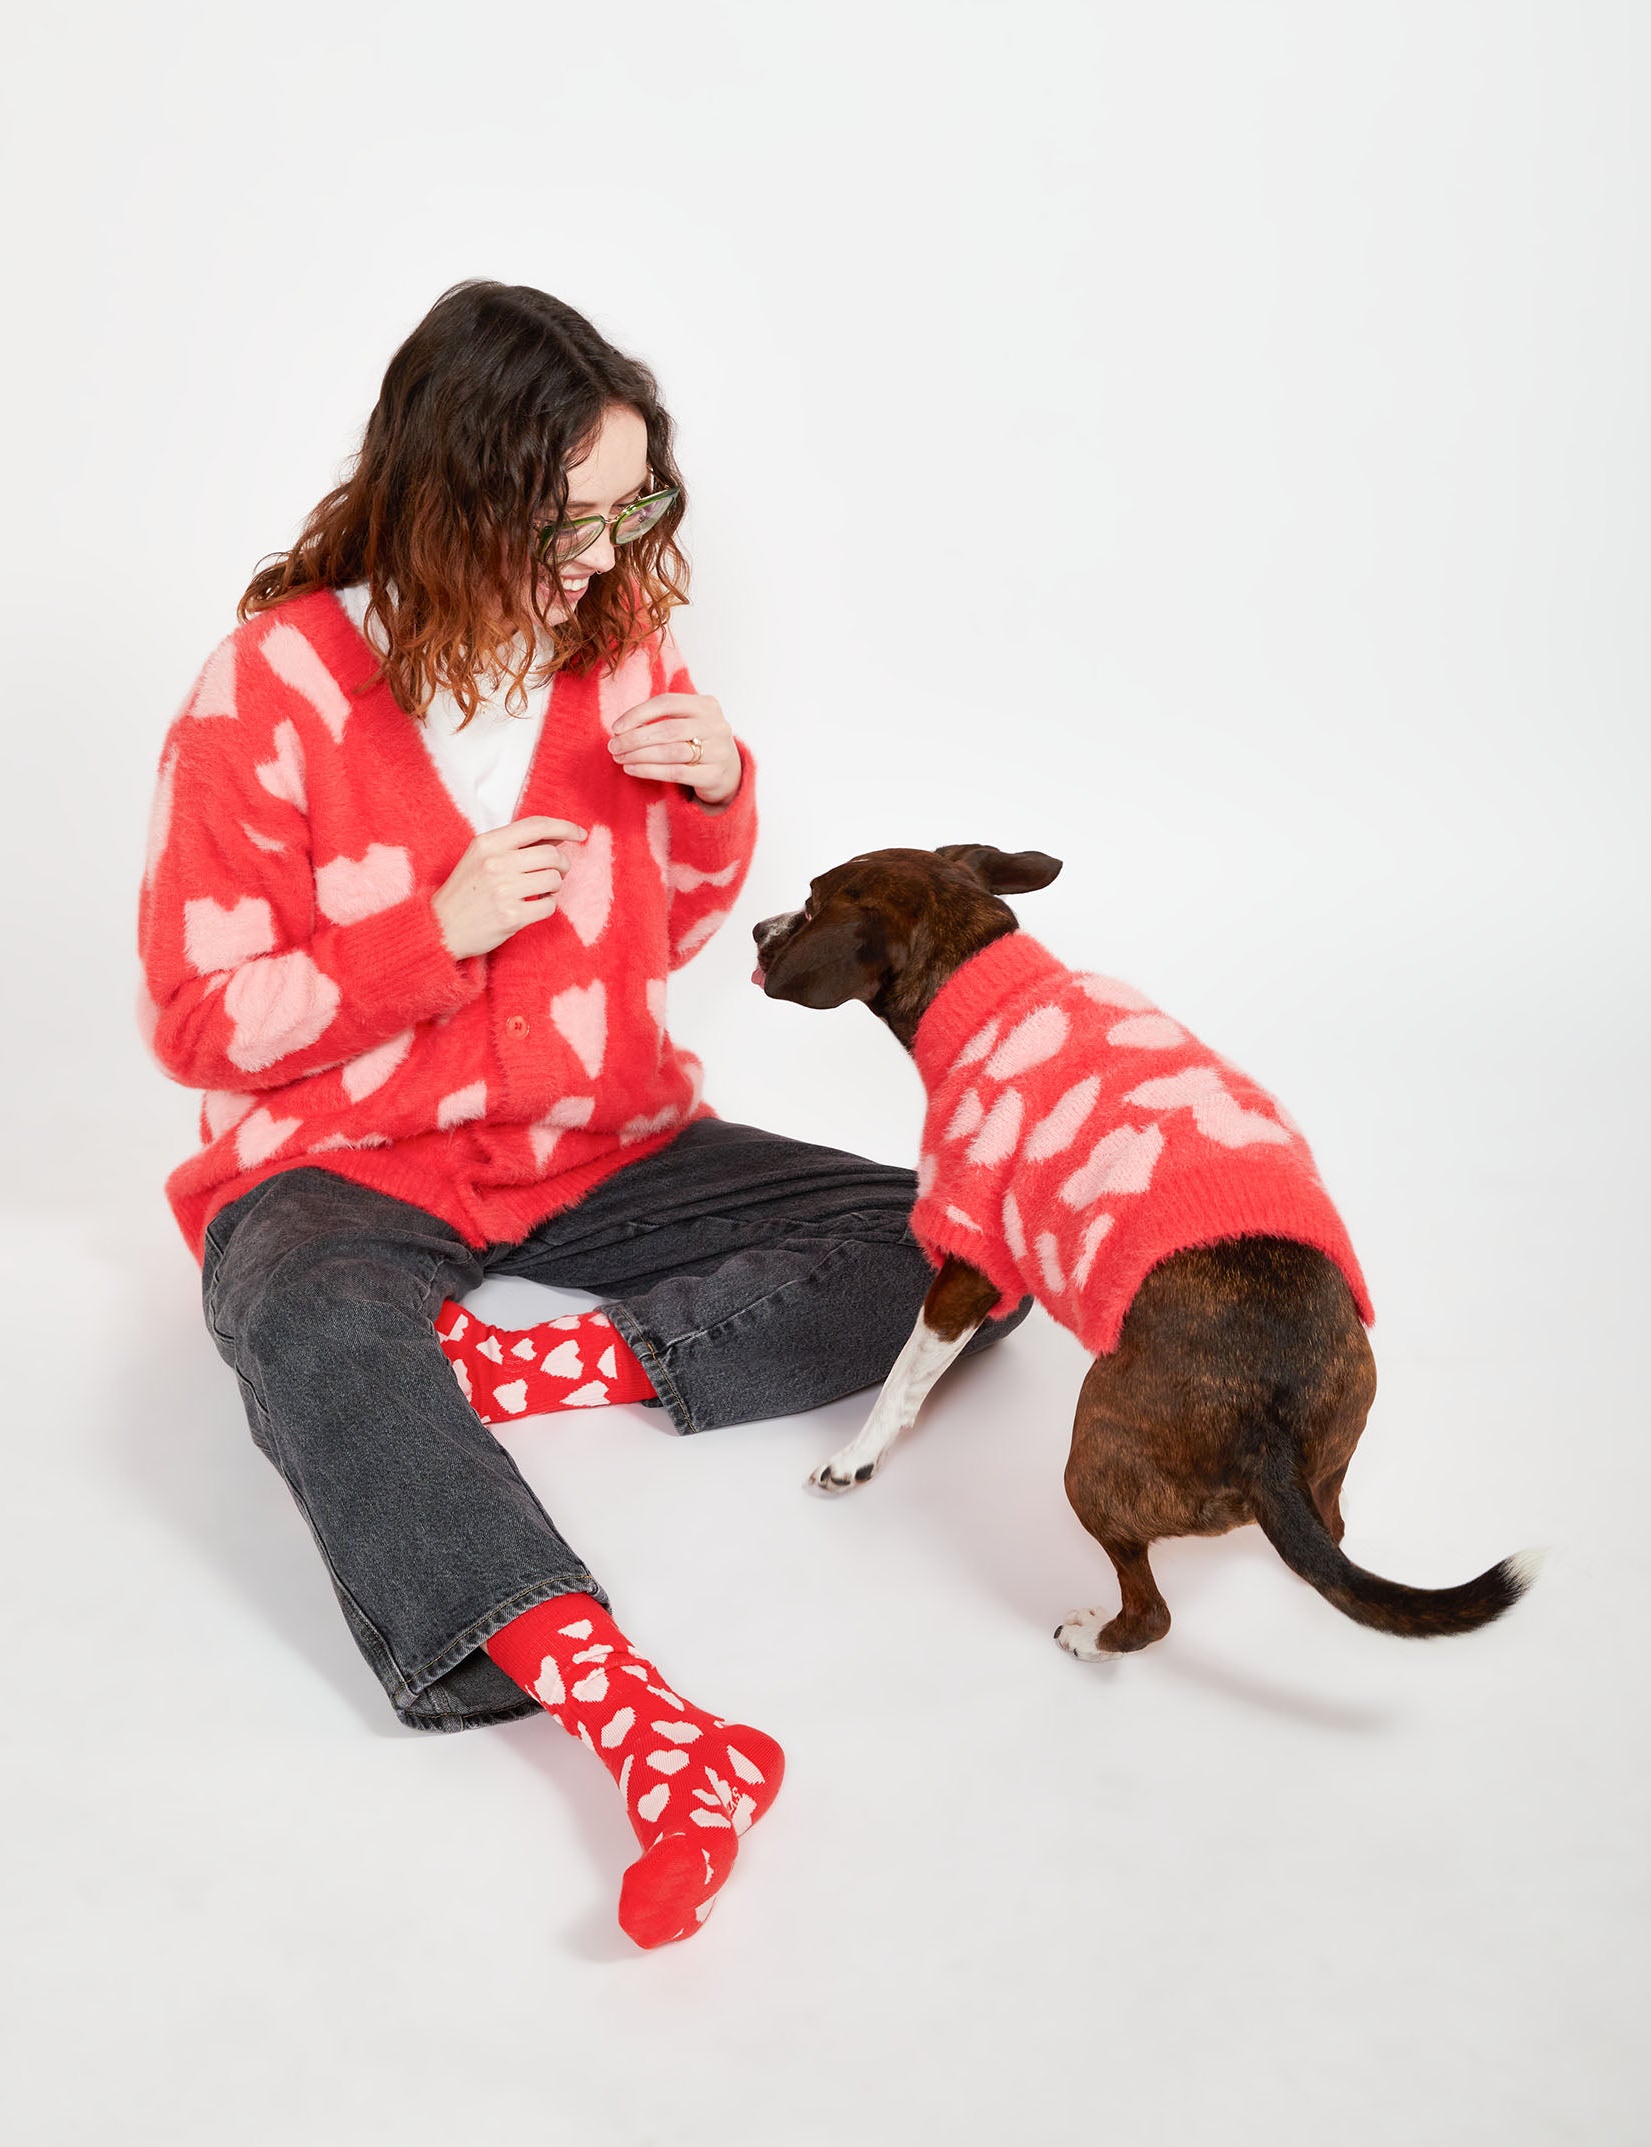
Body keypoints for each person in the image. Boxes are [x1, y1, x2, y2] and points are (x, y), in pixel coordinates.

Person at [136, 280, 1022, 1948]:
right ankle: (647, 1732)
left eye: (636, 509)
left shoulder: (621, 654)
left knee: (963, 1247)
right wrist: (434, 934)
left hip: (597, 1139)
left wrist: (712, 795)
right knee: (309, 1326)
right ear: (454, 493)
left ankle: (569, 1361)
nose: (611, 556)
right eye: (573, 518)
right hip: (350, 1159)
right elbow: (198, 1017)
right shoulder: (265, 692)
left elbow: (675, 930)